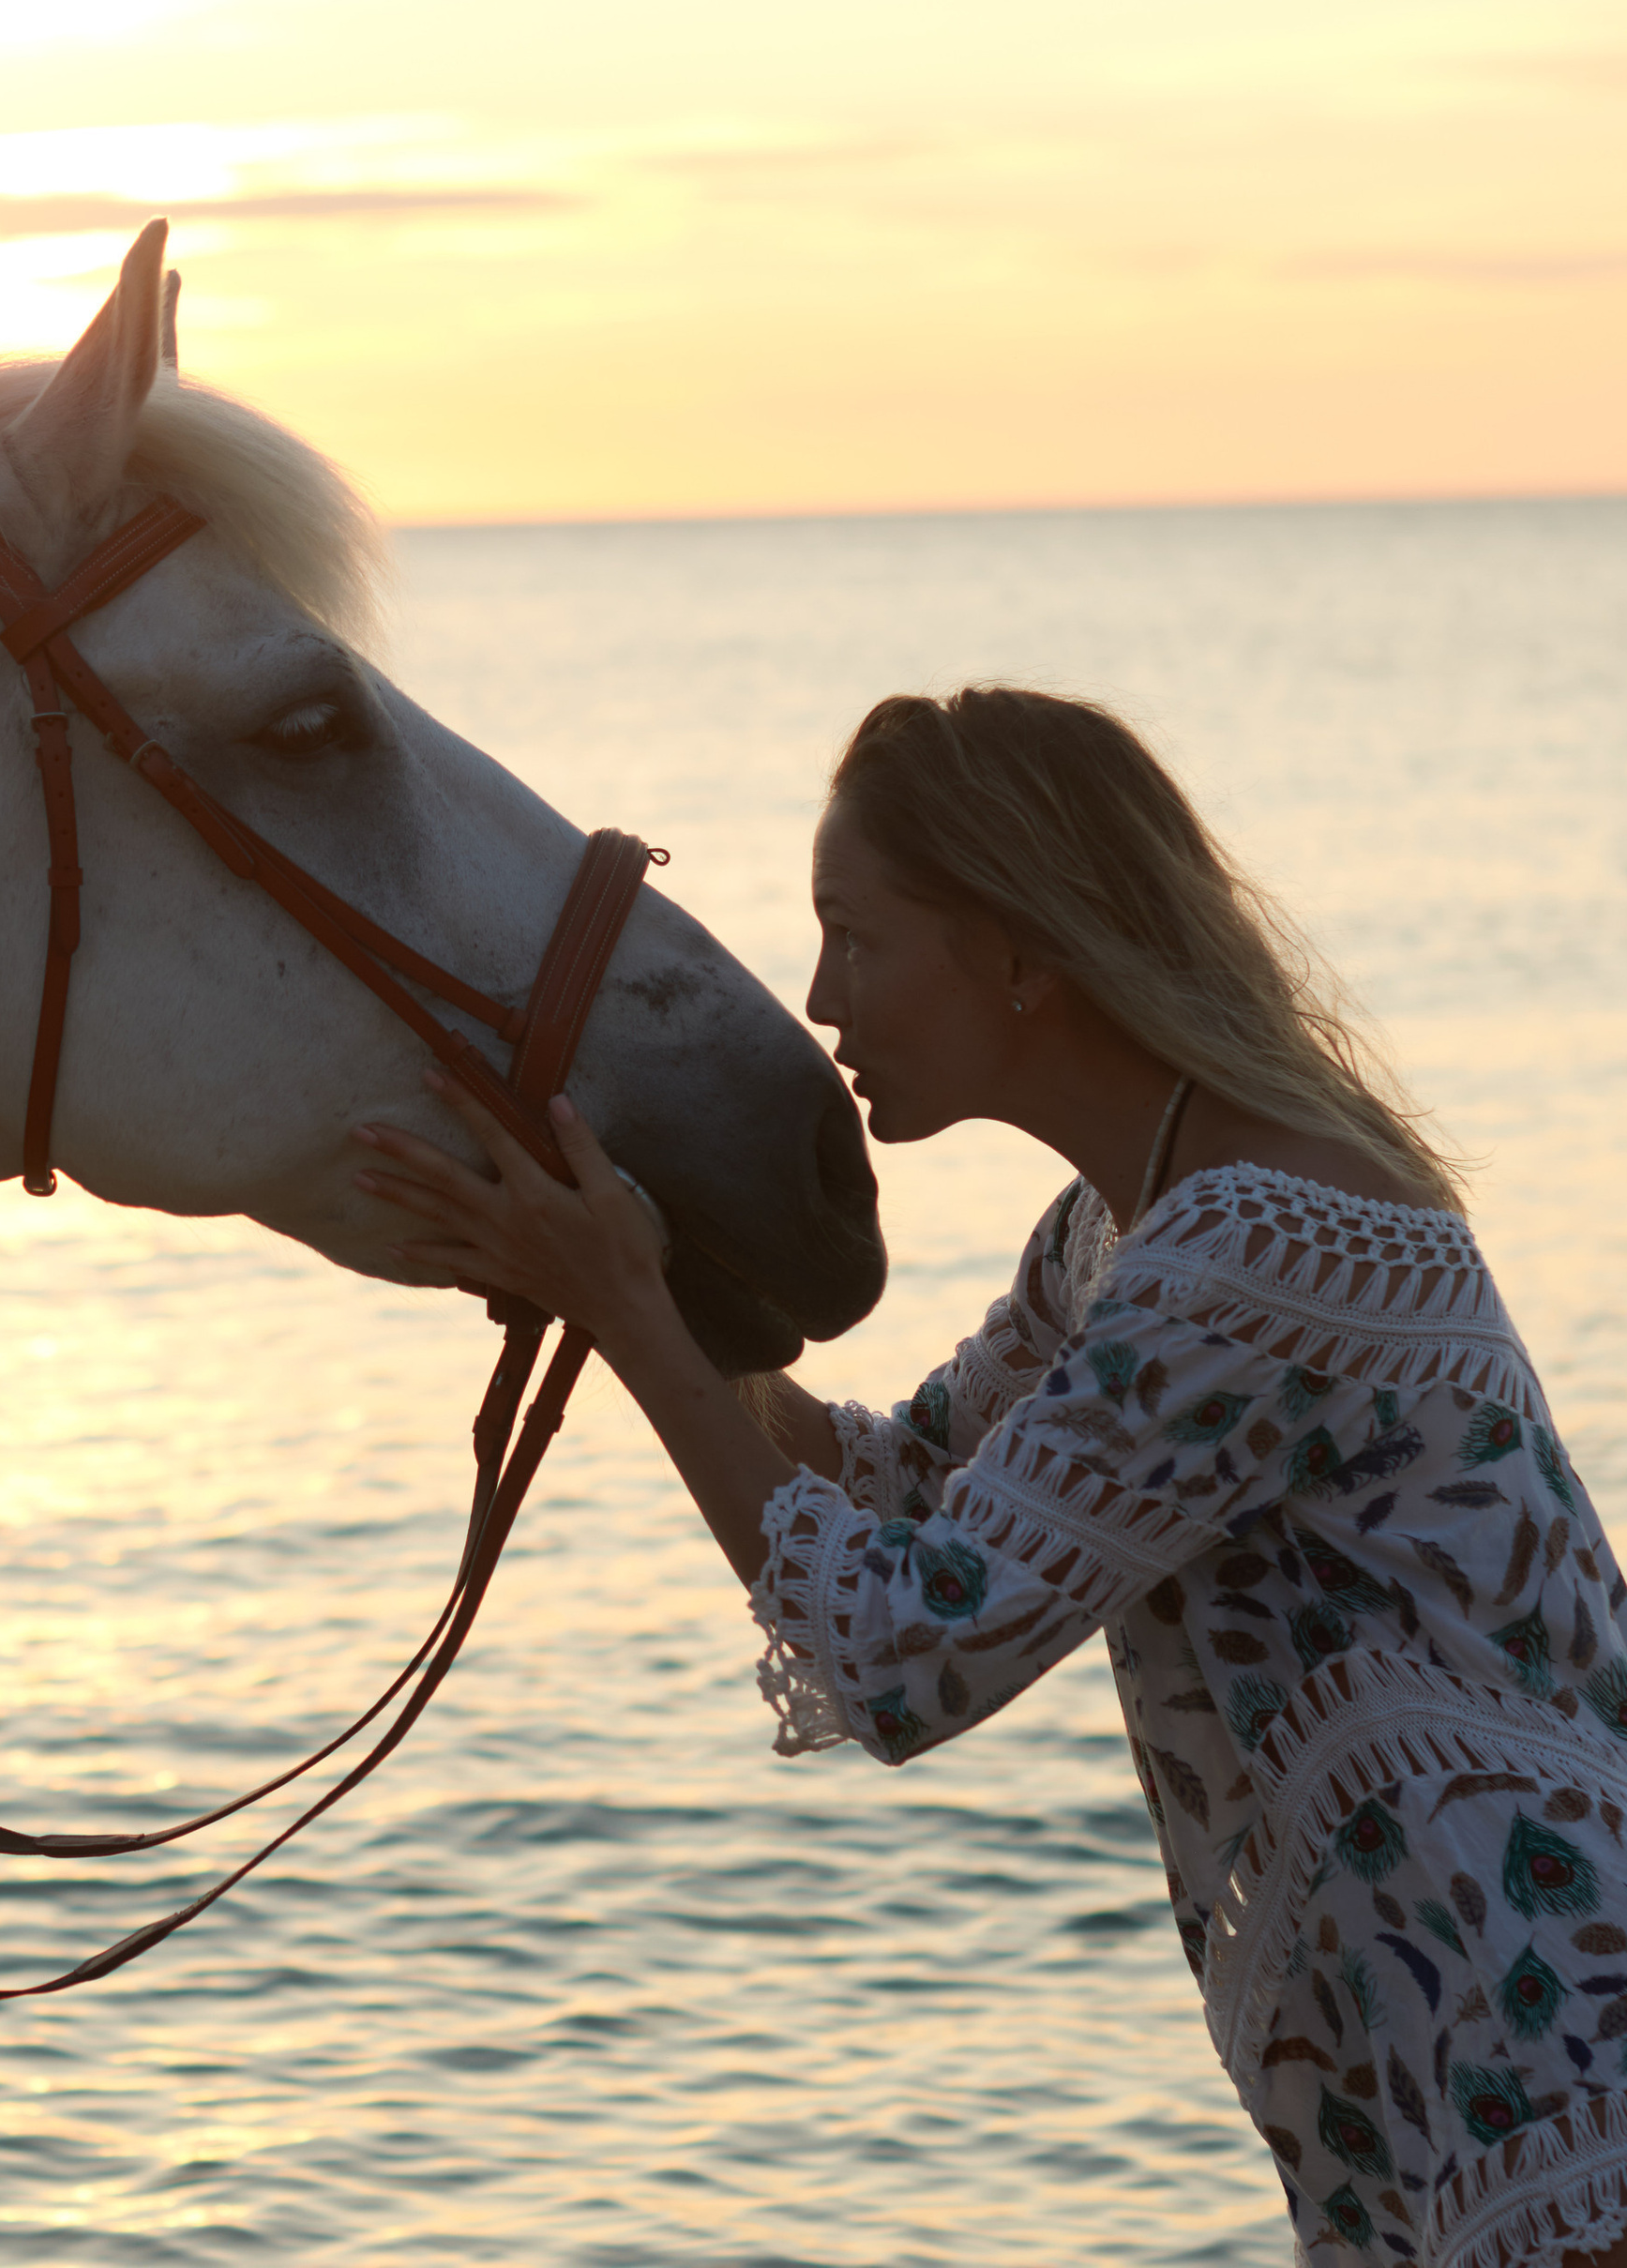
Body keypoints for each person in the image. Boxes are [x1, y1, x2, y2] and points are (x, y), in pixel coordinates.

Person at [351, 687, 1627, 2268]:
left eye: (856, 935)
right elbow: (907, 1487)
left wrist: (627, 1316)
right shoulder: (1125, 1226)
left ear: (1024, 954)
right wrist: (642, 1261)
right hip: (1440, 2062)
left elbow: (909, 1650)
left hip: (1552, 2063)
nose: (820, 997)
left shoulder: (1256, 1248)